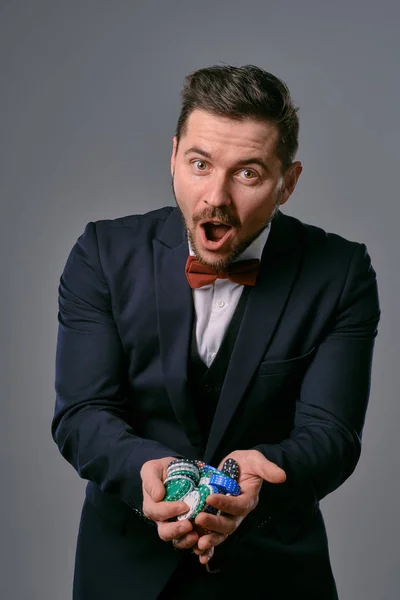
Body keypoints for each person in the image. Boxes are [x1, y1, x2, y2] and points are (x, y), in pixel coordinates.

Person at [52, 64, 380, 599]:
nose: (215, 198)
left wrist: (261, 480)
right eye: (199, 164)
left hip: (275, 574)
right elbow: (81, 414)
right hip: (123, 571)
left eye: (247, 173)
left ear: (287, 184)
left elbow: (333, 434)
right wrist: (146, 470)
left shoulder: (340, 272)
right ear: (174, 156)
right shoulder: (101, 255)